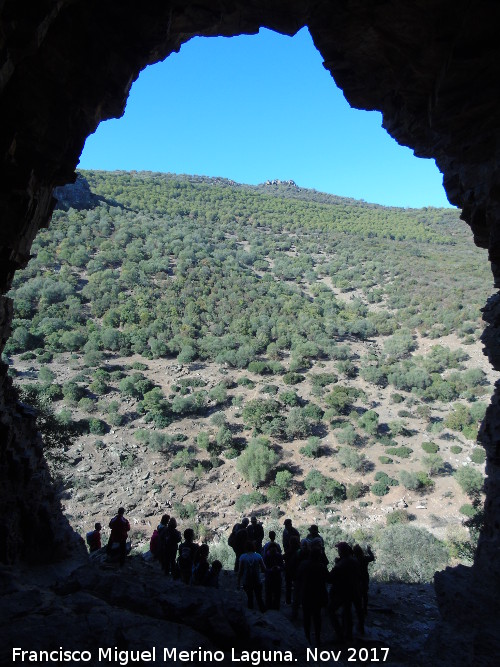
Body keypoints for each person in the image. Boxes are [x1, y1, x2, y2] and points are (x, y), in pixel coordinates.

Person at [328, 541, 364, 641]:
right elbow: (359, 576)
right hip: (355, 590)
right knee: (350, 611)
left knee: (331, 610)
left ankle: (340, 634)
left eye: (339, 550)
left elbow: (330, 578)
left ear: (341, 551)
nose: (338, 551)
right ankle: (352, 632)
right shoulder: (355, 561)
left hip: (344, 592)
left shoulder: (341, 564)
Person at [296, 547, 329, 646]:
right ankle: (318, 639)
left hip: (306, 593)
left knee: (306, 617)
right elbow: (329, 578)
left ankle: (307, 638)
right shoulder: (321, 566)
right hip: (318, 594)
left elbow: (298, 577)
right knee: (317, 617)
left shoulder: (303, 564)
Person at [238, 540, 266, 612]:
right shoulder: (258, 556)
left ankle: (251, 616)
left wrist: (238, 582)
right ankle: (264, 613)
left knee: (249, 598)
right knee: (259, 598)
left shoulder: (242, 557)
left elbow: (240, 571)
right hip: (257, 580)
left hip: (246, 581)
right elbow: (264, 569)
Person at [353, 544, 375, 614]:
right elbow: (372, 557)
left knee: (358, 593)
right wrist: (369, 551)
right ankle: (365, 609)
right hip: (365, 577)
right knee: (365, 594)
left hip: (356, 578)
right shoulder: (365, 559)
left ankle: (359, 609)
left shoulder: (353, 560)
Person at [263, 541, 284, 610]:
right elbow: (264, 568)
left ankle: (271, 607)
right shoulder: (268, 556)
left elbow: (282, 566)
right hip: (273, 577)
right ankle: (273, 607)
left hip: (273, 577)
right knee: (273, 593)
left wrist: (278, 568)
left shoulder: (267, 556)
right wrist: (272, 570)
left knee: (272, 593)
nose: (274, 552)